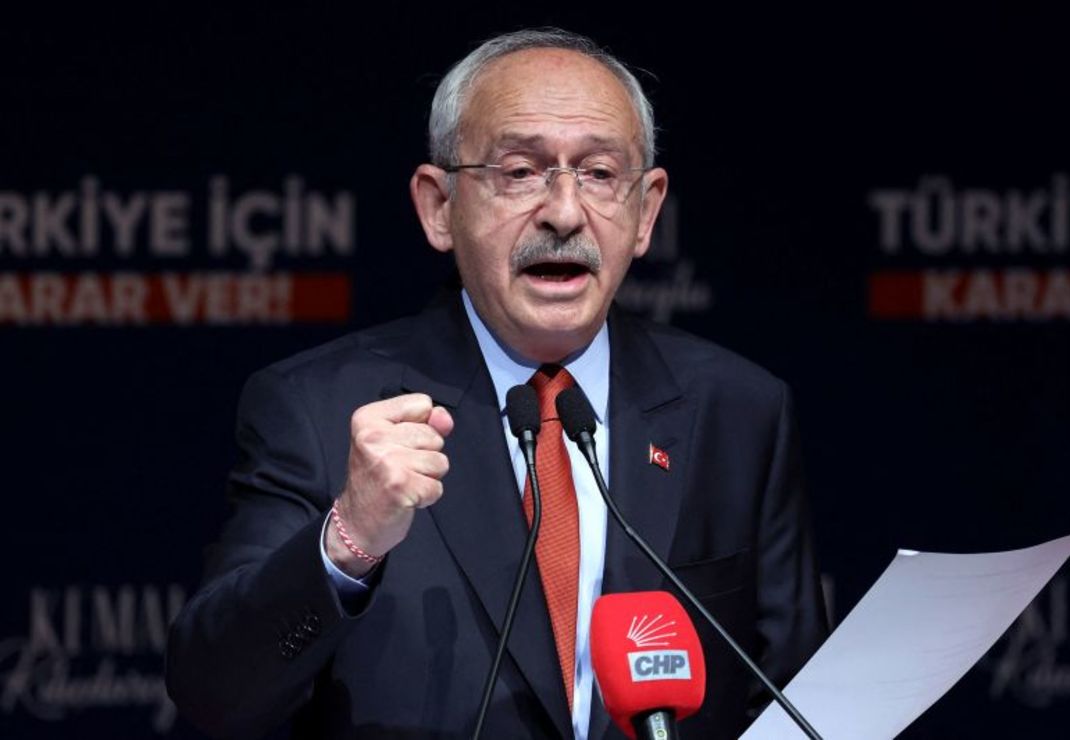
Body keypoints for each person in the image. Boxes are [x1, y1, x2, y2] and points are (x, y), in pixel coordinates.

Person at [166, 28, 827, 740]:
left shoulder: (738, 410)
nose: (566, 213)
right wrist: (350, 539)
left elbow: (793, 697)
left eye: (601, 174)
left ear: (646, 212)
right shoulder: (319, 408)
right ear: (438, 207)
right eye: (520, 171)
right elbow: (215, 696)